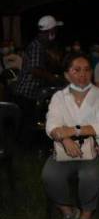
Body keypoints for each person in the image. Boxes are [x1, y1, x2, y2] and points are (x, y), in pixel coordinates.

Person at [41, 53, 99, 219]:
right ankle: (68, 212)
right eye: (76, 70)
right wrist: (64, 139)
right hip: (65, 149)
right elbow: (51, 124)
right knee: (49, 175)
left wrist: (73, 132)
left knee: (89, 173)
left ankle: (86, 216)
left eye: (86, 70)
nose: (82, 74)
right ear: (67, 75)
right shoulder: (59, 97)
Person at [13, 15, 64, 144]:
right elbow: (35, 70)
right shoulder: (37, 46)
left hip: (28, 92)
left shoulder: (41, 45)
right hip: (27, 92)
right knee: (26, 123)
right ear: (50, 32)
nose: (56, 33)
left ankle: (23, 150)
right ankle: (23, 151)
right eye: (55, 31)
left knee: (26, 122)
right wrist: (54, 79)